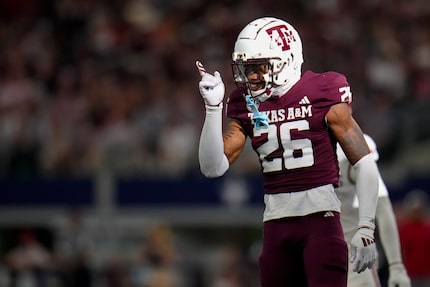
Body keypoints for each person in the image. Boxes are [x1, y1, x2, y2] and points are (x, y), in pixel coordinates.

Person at [196, 17, 380, 286]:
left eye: (259, 67)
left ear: (287, 59)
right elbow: (212, 167)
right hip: (275, 223)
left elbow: (364, 162)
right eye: (247, 69)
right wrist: (213, 109)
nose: (251, 77)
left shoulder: (322, 91)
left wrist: (366, 225)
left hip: (321, 220)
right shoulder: (244, 103)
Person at [336, 134, 411, 287]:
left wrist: (396, 265)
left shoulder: (352, 145)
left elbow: (382, 207)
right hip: (308, 255)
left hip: (352, 259)